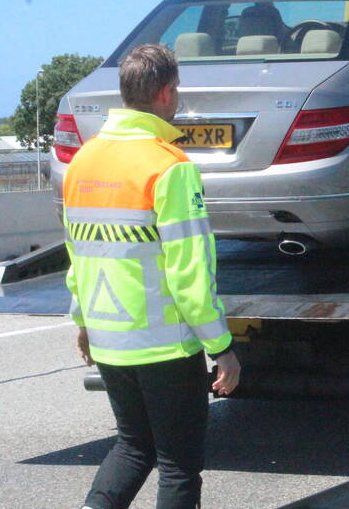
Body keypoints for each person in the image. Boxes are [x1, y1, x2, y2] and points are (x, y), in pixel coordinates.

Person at [63, 43, 240, 509]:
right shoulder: (169, 167)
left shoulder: (83, 161)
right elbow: (190, 272)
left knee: (132, 445)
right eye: (177, 88)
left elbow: (78, 254)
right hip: (164, 346)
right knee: (179, 465)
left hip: (108, 338)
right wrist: (221, 346)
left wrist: (82, 321)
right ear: (164, 93)